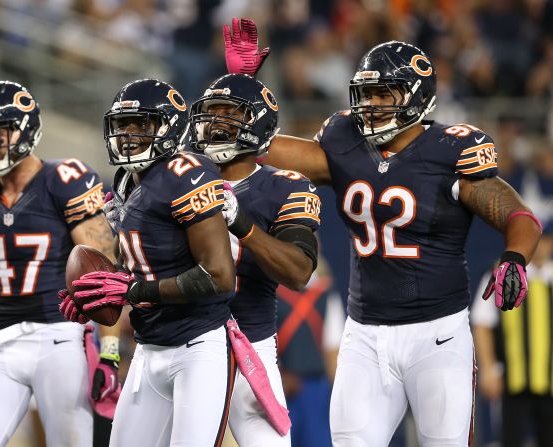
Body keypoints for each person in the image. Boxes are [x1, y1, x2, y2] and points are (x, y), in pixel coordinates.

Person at [224, 21, 542, 445]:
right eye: (366, 93)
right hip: (365, 336)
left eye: (383, 94)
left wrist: (515, 257)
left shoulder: (449, 151)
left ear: (418, 97)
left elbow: (518, 215)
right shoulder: (344, 141)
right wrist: (241, 90)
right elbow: (253, 145)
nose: (370, 105)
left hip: (438, 334)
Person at [62, 78, 237, 447]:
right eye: (122, 125)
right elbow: (142, 267)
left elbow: (220, 276)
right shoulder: (126, 181)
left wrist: (133, 290)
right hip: (148, 347)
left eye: (141, 124)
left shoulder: (188, 173)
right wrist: (96, 292)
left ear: (170, 127)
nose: (128, 135)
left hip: (198, 346)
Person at [0, 80, 120, 447]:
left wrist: (110, 351)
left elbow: (103, 272)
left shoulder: (63, 180)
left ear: (26, 131)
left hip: (59, 338)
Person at [189, 73, 320, 446]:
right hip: (185, 341)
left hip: (251, 344)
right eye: (211, 113)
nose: (216, 123)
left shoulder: (284, 186)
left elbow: (298, 272)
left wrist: (241, 223)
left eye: (229, 113)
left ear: (256, 124)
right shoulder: (180, 178)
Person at [472, 221, 553, 447]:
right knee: (510, 439)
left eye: (544, 239)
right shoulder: (502, 273)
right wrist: (488, 368)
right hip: (512, 380)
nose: (539, 246)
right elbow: (482, 322)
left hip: (550, 380)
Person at [275, 258, 346, 447]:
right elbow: (333, 350)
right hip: (287, 388)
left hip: (303, 388)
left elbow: (333, 351)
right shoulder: (325, 291)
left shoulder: (271, 290)